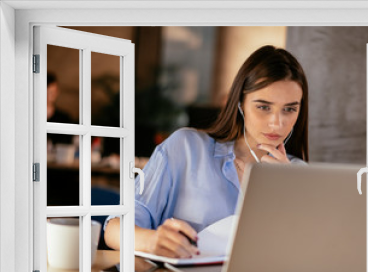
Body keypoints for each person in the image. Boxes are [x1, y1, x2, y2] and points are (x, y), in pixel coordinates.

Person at [104, 45, 309, 259]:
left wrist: (289, 194)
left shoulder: (298, 174)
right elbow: (114, 229)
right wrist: (152, 241)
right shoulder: (186, 148)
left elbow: (306, 256)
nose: (276, 123)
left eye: (289, 109)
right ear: (240, 104)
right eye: (264, 107)